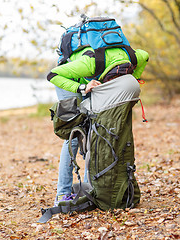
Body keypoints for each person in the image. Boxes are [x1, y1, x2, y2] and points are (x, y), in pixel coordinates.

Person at [47, 45, 149, 206]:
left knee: (94, 133)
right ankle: (62, 193)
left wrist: (134, 78)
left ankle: (91, 188)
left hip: (93, 80)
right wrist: (82, 87)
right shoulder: (89, 64)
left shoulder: (135, 58)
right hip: (68, 80)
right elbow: (52, 75)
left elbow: (146, 54)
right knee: (74, 135)